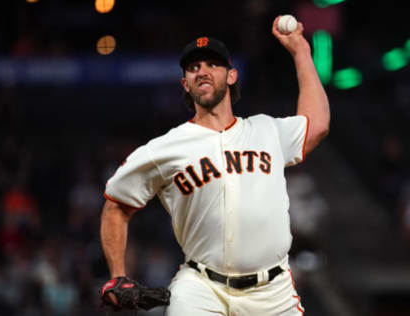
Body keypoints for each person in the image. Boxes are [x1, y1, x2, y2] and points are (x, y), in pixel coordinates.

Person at [100, 16, 330, 316]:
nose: (202, 72)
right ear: (185, 84)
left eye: (212, 65)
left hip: (272, 292)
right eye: (193, 68)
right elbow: (116, 205)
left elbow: (317, 125)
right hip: (201, 288)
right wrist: (118, 275)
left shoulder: (266, 130)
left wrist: (301, 50)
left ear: (232, 76)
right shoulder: (165, 148)